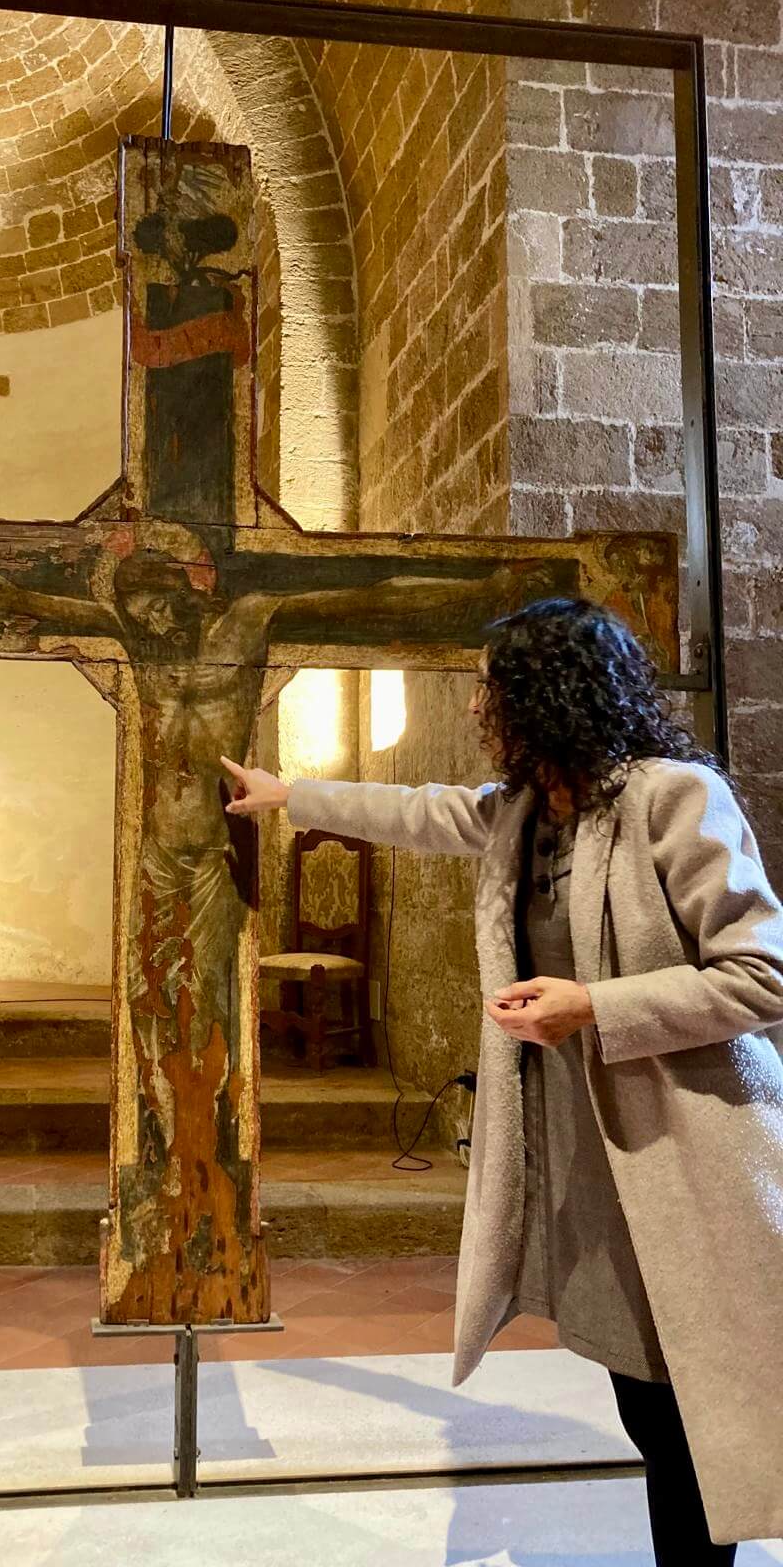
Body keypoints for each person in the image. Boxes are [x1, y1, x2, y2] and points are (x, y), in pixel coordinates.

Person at [222, 597, 783, 1559]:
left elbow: (760, 972)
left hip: (696, 1155)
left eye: (493, 691)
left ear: (547, 694)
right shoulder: (522, 813)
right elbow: (424, 812)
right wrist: (290, 796)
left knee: (734, 1401)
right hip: (595, 1169)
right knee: (654, 1412)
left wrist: (594, 1008)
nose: (482, 708)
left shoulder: (673, 797)